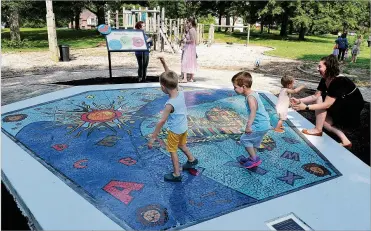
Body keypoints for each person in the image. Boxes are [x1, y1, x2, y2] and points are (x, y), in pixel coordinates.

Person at [291, 55, 364, 148]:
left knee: (320, 104)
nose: (317, 68)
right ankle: (345, 140)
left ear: (328, 67)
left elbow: (327, 104)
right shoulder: (326, 78)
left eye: (320, 66)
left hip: (352, 107)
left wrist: (306, 107)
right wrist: (299, 101)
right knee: (323, 120)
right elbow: (315, 95)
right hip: (343, 102)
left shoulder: (339, 81)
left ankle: (318, 130)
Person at [148, 57, 198, 182]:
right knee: (182, 144)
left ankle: (176, 174)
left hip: (175, 131)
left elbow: (161, 121)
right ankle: (192, 160)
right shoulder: (180, 91)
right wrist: (164, 63)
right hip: (184, 128)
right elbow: (171, 78)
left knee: (172, 150)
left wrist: (153, 136)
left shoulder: (169, 104)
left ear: (163, 87)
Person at [231, 71, 272, 168]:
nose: (234, 89)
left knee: (244, 139)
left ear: (243, 87)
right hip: (264, 124)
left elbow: (253, 111)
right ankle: (252, 156)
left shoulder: (250, 97)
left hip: (259, 125)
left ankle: (254, 159)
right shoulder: (253, 93)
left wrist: (248, 126)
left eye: (235, 87)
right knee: (254, 142)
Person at [180, 17, 198, 83]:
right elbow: (195, 41)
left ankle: (185, 78)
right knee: (191, 61)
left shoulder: (191, 30)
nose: (187, 24)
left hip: (189, 48)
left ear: (190, 22)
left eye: (188, 22)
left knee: (185, 61)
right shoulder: (194, 29)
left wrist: (185, 41)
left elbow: (192, 40)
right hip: (192, 48)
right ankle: (191, 78)